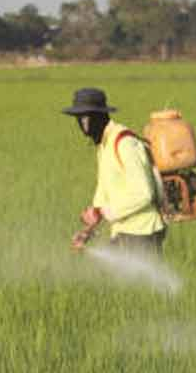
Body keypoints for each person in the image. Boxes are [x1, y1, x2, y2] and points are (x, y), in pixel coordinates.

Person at [61, 88, 166, 254]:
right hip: (124, 231)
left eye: (86, 117)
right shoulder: (104, 145)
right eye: (79, 118)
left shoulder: (124, 143)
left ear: (100, 115)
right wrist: (89, 228)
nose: (83, 124)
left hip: (142, 232)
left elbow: (144, 193)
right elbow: (105, 189)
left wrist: (107, 212)